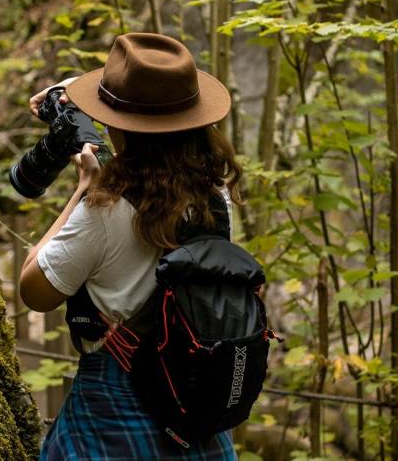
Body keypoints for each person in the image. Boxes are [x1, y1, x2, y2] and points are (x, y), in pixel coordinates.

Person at [19, 33, 243, 460]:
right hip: (193, 406)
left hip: (114, 412)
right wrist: (73, 90)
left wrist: (85, 187)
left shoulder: (105, 211)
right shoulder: (216, 196)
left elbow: (34, 290)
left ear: (121, 127)